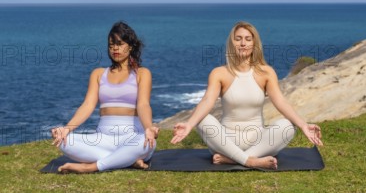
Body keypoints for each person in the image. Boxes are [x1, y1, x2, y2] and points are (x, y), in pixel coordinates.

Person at [171, 21, 323, 170]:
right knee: (202, 119)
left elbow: (281, 102)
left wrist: (303, 125)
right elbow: (207, 101)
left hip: (258, 142)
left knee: (288, 126)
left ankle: (233, 160)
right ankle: (250, 161)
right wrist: (189, 125)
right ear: (232, 44)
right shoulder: (219, 73)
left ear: (254, 44)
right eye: (238, 39)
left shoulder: (266, 72)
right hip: (225, 142)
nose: (243, 43)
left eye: (248, 39)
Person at [51, 21, 158, 173]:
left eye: (119, 44)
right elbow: (88, 105)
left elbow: (143, 105)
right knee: (63, 141)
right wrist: (66, 129)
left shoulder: (142, 73)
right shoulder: (98, 74)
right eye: (111, 44)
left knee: (147, 143)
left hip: (132, 138)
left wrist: (149, 129)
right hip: (102, 140)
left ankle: (92, 167)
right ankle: (126, 160)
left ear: (131, 46)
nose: (115, 48)